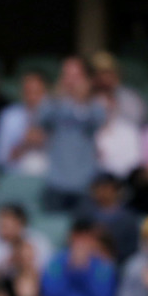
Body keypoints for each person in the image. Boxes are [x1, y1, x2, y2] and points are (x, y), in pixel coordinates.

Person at [35, 57, 106, 210]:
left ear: (87, 79)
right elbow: (41, 119)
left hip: (84, 182)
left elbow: (96, 123)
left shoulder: (95, 104)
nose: (71, 81)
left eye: (76, 76)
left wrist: (81, 100)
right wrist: (56, 96)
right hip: (56, 181)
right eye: (67, 75)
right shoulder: (53, 101)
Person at [0, 203, 52, 282]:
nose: (1, 226)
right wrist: (5, 267)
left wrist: (24, 264)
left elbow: (49, 271)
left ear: (20, 223)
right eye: (0, 222)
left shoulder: (37, 240)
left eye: (7, 223)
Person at [0, 70, 49, 175]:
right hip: (17, 176)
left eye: (37, 92)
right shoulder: (9, 116)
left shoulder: (57, 115)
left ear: (46, 92)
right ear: (21, 93)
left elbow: (65, 157)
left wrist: (45, 141)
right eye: (28, 92)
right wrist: (24, 143)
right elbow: (0, 158)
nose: (32, 97)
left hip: (49, 176)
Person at [79, 174, 138, 263]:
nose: (102, 191)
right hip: (88, 263)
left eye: (106, 187)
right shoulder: (85, 213)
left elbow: (131, 248)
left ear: (116, 190)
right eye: (99, 187)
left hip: (119, 263)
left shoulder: (128, 217)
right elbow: (76, 239)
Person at [89, 51, 146, 126]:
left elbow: (137, 122)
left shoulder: (130, 98)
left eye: (109, 72)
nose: (106, 77)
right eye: (101, 73)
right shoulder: (87, 98)